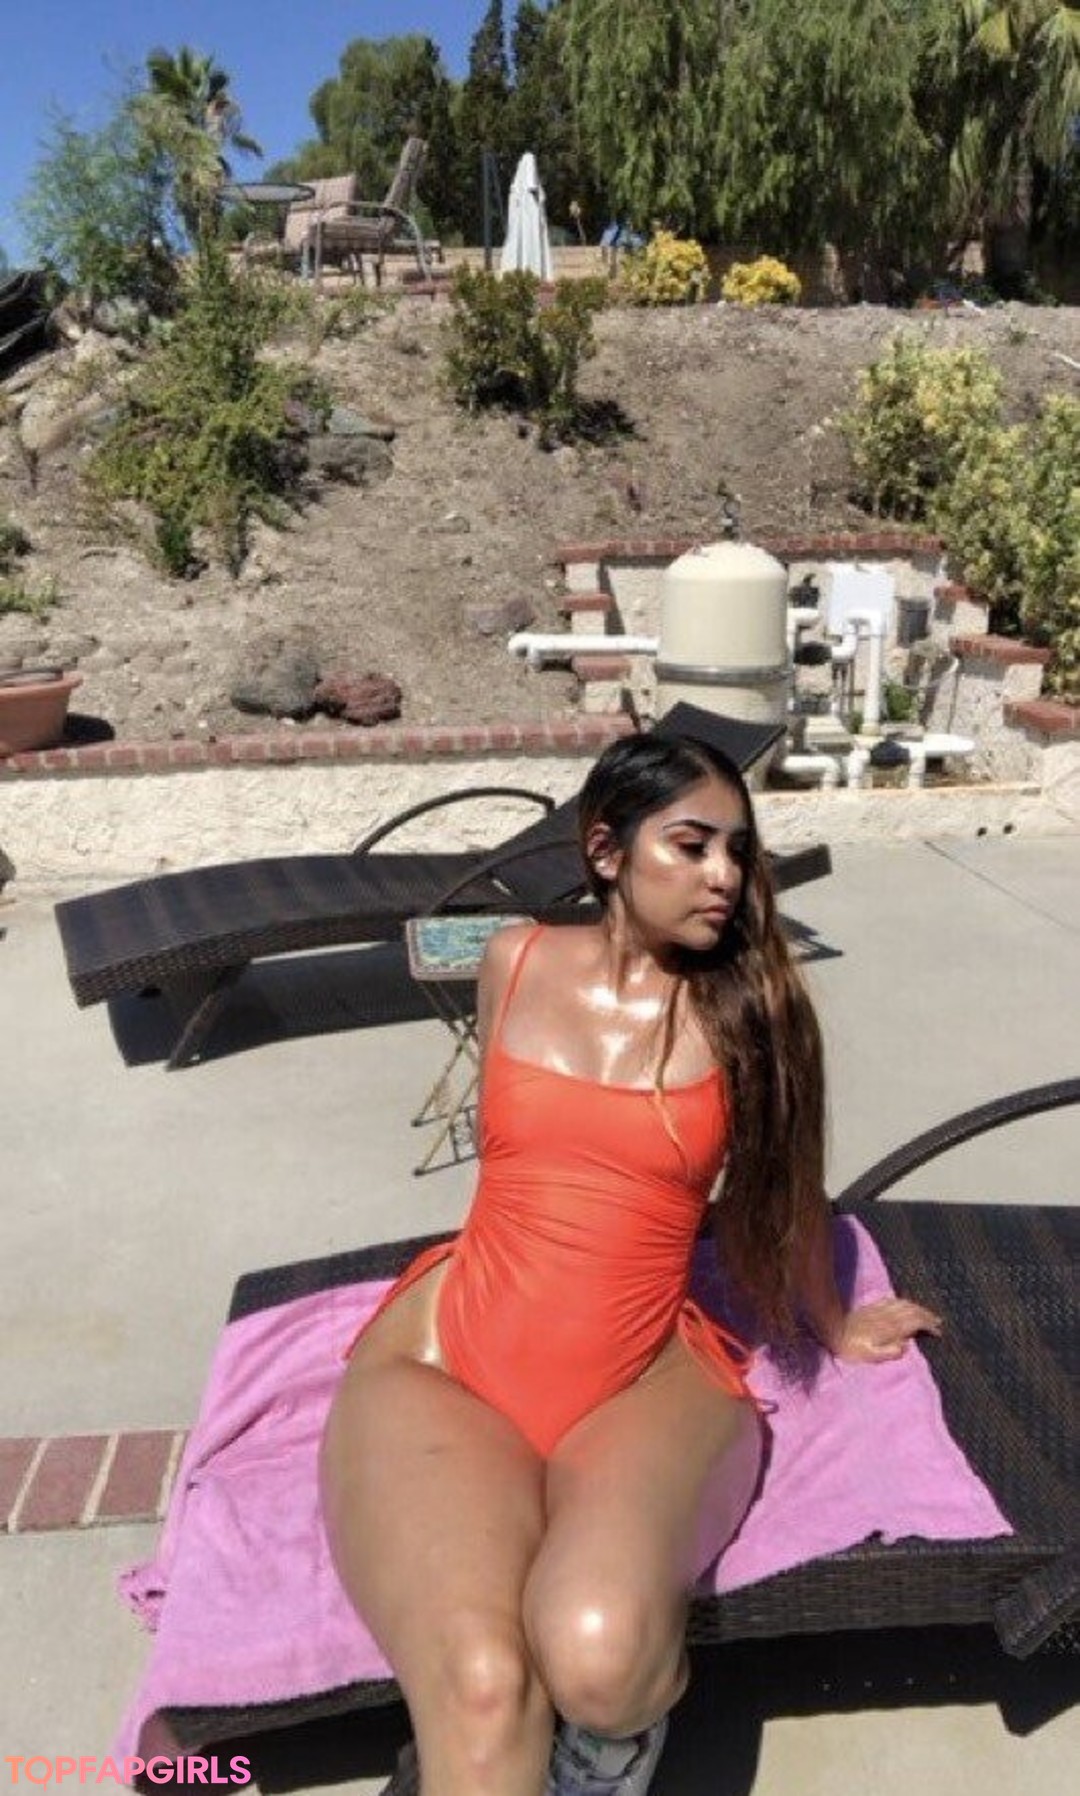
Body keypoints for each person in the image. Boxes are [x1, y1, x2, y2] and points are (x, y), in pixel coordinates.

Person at [320, 731, 942, 1796]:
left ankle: (610, 1746)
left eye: (737, 850)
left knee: (601, 1661)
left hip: (642, 1372)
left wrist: (835, 1321)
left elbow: (788, 1191)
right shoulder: (513, 961)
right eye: (691, 846)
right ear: (606, 850)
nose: (724, 876)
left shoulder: (752, 1010)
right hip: (451, 1358)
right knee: (483, 1687)